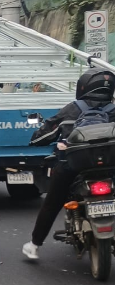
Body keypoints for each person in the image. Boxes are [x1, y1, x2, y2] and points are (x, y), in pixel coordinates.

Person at [23, 68, 115, 259]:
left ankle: (34, 245)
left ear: (84, 87)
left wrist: (36, 139)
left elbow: (44, 134)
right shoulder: (113, 110)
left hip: (73, 168)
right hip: (110, 168)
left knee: (52, 203)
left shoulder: (73, 108)